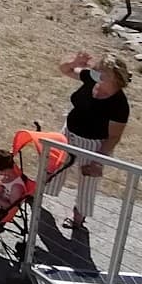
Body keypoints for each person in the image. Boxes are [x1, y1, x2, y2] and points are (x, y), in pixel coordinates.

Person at [45, 51, 131, 230]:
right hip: (68, 133)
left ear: (115, 77)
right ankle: (39, 195)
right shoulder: (91, 79)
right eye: (97, 69)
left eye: (102, 71)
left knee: (87, 181)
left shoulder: (119, 104)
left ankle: (78, 218)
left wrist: (98, 160)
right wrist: (74, 62)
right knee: (55, 166)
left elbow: (114, 136)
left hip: (92, 144)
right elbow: (65, 69)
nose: (97, 73)